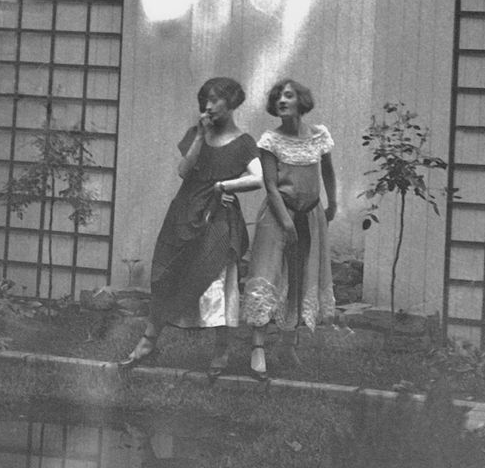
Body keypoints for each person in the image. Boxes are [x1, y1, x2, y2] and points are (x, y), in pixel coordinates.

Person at [122, 77, 264, 374]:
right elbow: (184, 171)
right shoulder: (195, 134)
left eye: (215, 100)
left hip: (218, 217)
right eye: (206, 100)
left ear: (231, 102)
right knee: (165, 274)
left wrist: (224, 186)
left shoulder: (243, 142)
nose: (209, 106)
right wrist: (200, 136)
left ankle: (221, 351)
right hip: (184, 213)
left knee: (218, 283)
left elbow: (258, 178)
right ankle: (149, 342)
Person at [242, 79, 337, 380]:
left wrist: (332, 204)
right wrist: (285, 221)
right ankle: (258, 347)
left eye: (289, 95)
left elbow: (328, 172)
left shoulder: (319, 135)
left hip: (310, 216)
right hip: (278, 216)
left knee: (299, 276)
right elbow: (270, 185)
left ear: (301, 101)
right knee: (268, 274)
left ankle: (288, 344)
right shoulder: (271, 140)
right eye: (278, 97)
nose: (282, 100)